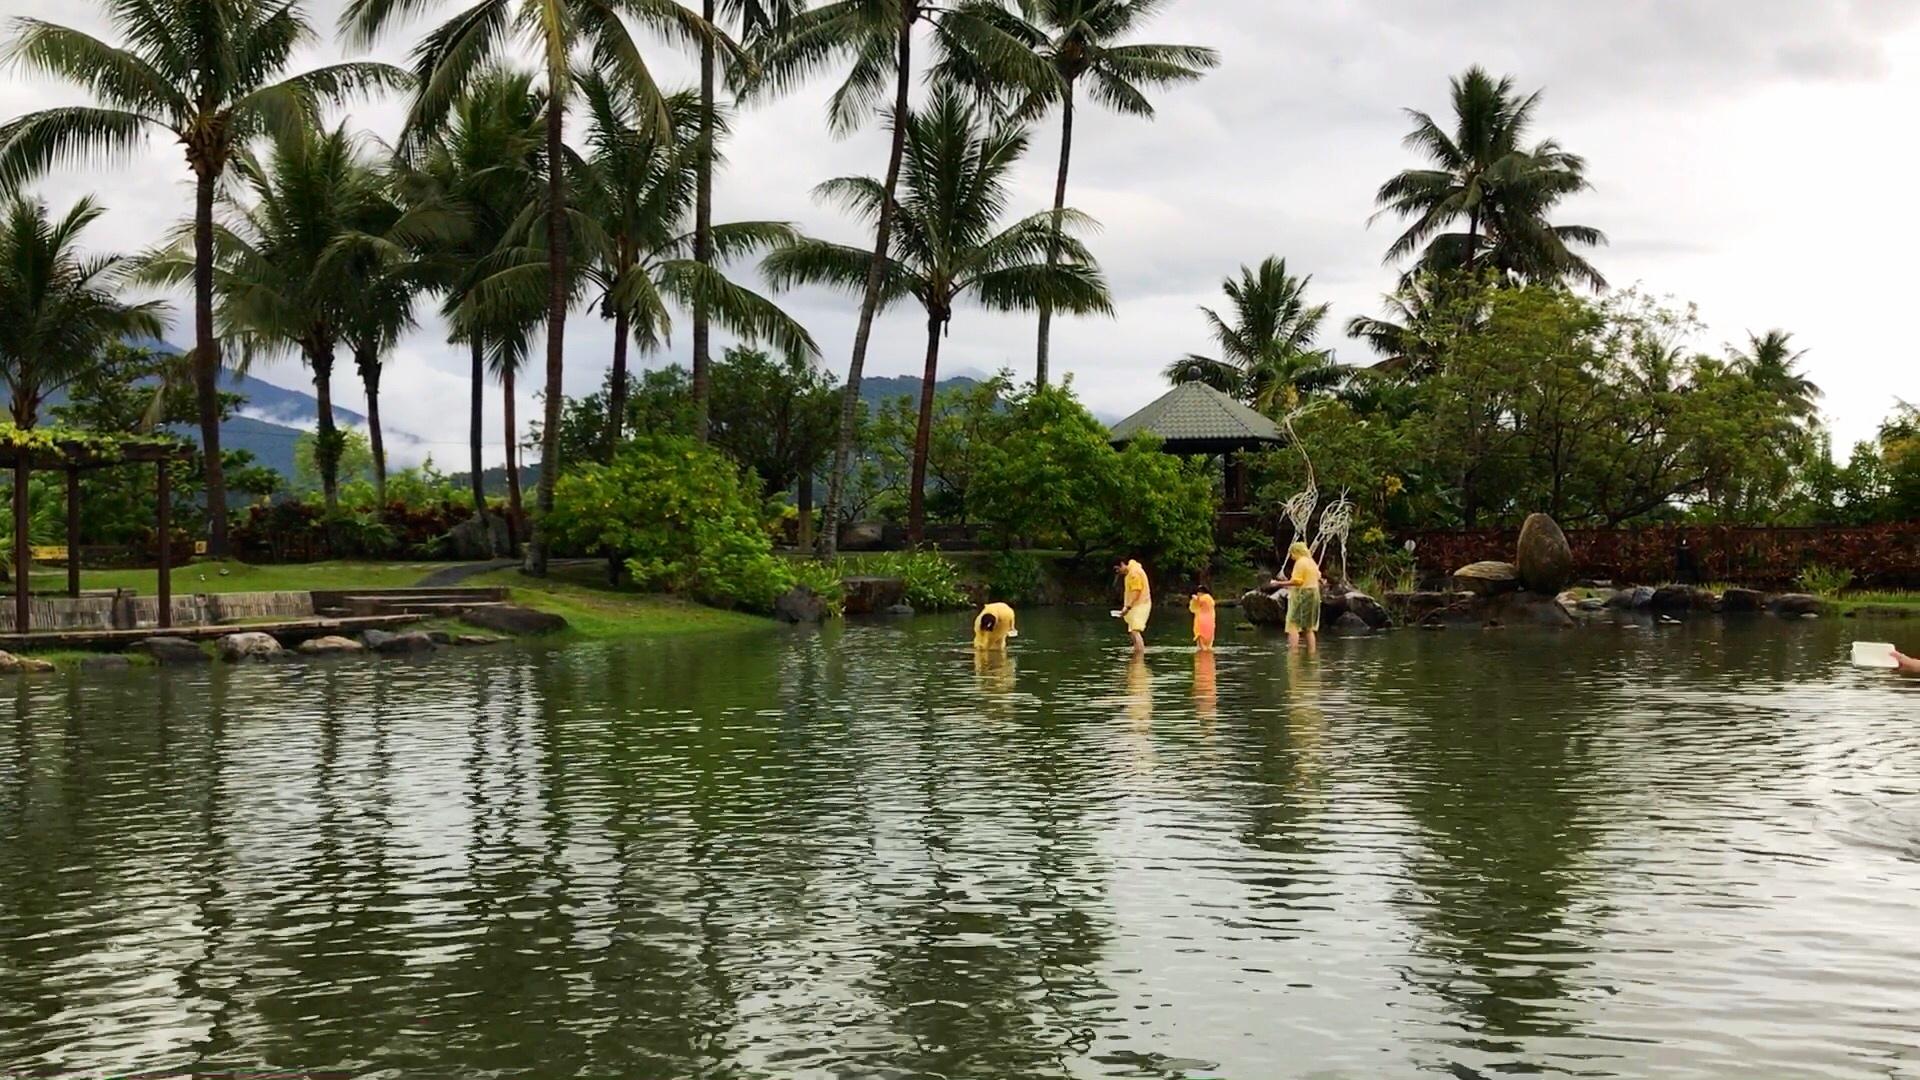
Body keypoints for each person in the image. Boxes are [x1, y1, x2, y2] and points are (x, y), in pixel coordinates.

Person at [1274, 540, 1322, 649]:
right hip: (1315, 594)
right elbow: (1318, 576)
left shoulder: (1300, 562)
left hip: (1303, 594)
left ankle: (1293, 653)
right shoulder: (1312, 562)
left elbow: (1297, 581)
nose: (1291, 557)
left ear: (1296, 552)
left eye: (1292, 554)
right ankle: (1312, 652)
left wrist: (1279, 583)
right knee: (1309, 627)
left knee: (1293, 625)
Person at [1116, 558, 1152, 656]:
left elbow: (1136, 591)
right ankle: (1137, 653)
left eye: (1117, 568)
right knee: (1132, 631)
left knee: (1135, 631)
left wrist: (1127, 606)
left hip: (1141, 604)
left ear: (1122, 564)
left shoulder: (1134, 573)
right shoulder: (1130, 573)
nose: (1117, 571)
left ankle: (1139, 658)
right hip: (1135, 605)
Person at [1188, 585, 1216, 651]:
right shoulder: (1210, 598)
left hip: (1202, 619)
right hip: (1210, 619)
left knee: (1200, 634)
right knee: (1206, 636)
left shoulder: (1205, 597)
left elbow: (1198, 600)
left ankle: (1202, 649)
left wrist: (1194, 597)